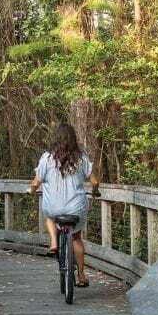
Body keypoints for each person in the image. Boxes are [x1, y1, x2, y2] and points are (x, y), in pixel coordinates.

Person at [30, 122, 99, 287]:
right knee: (76, 237)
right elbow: (94, 181)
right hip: (76, 207)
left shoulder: (47, 158)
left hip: (54, 207)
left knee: (49, 217)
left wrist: (31, 190)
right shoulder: (81, 157)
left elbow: (36, 182)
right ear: (73, 139)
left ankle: (53, 241)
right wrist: (95, 190)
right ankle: (82, 276)